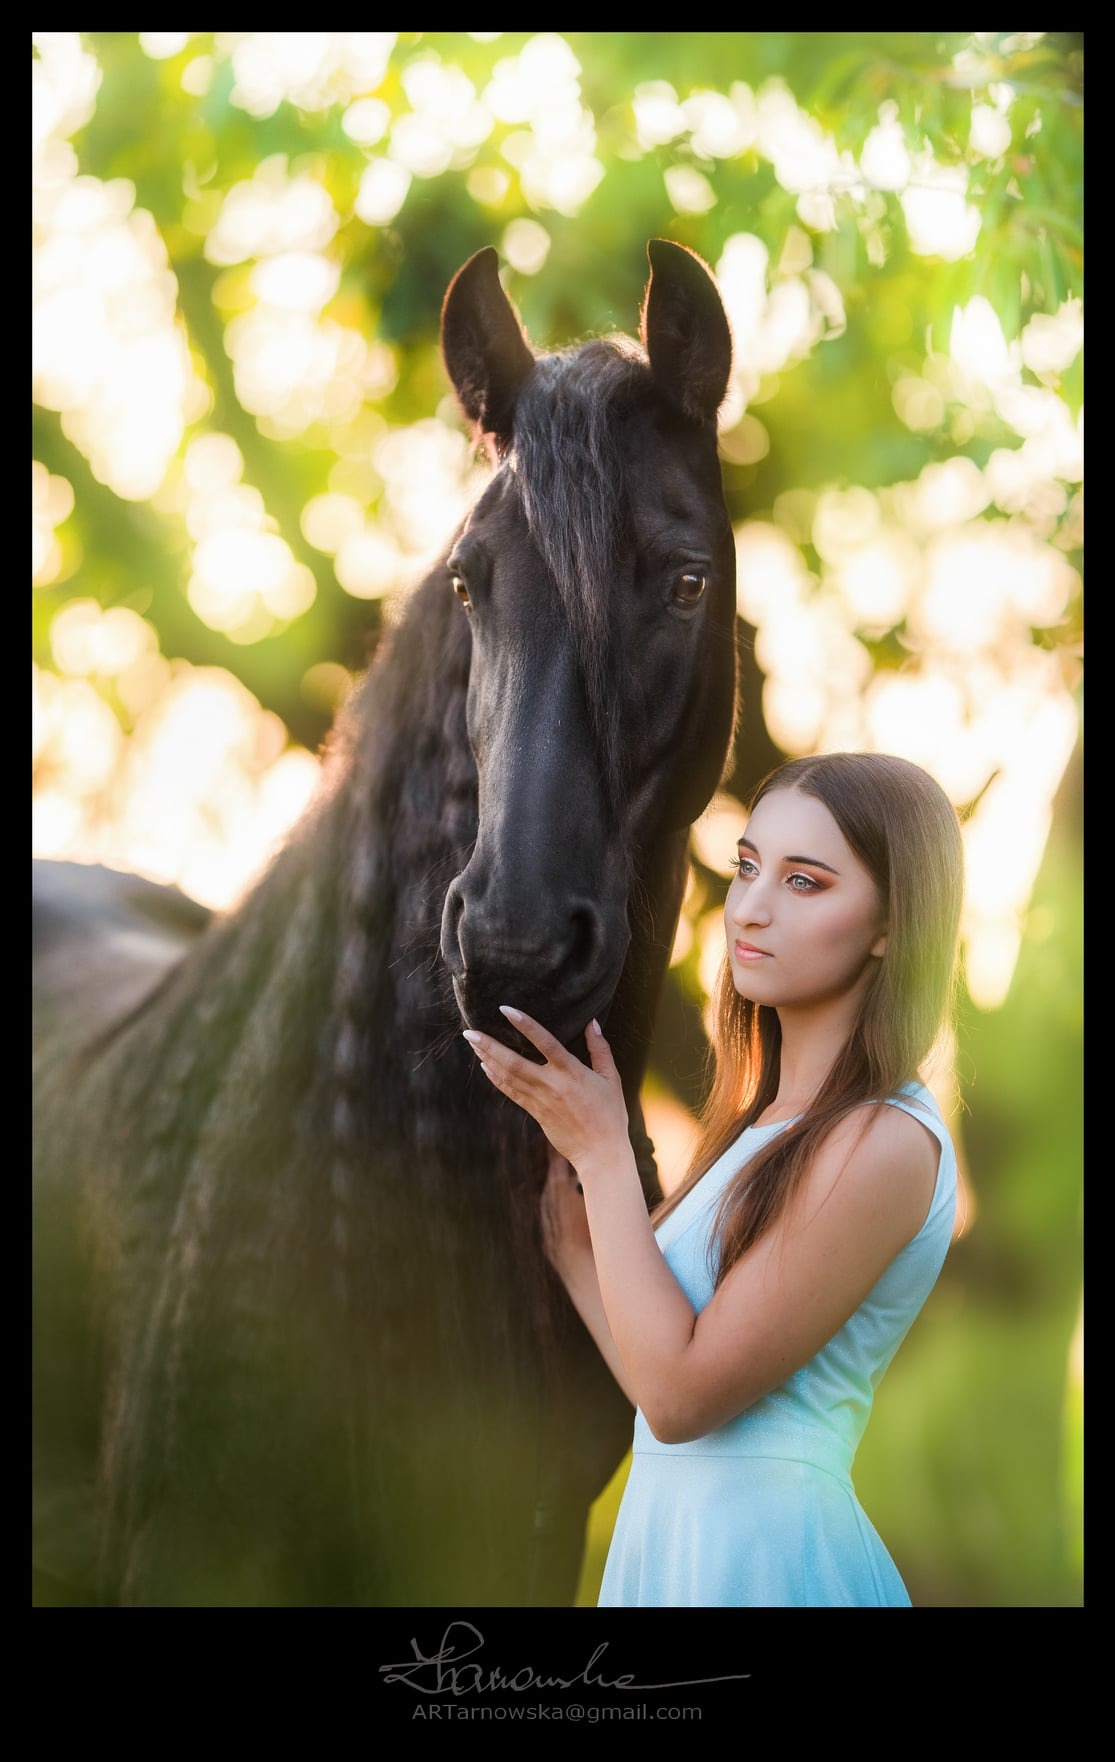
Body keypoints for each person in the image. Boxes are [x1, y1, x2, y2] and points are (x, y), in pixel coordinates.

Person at [462, 751, 964, 1607]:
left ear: (890, 922)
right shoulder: (758, 1130)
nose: (751, 908)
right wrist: (573, 1240)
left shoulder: (886, 1137)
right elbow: (665, 1370)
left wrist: (604, 1154)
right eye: (745, 866)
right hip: (672, 1547)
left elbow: (681, 1399)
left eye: (804, 883)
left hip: (768, 1563)